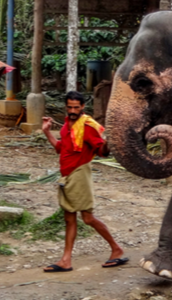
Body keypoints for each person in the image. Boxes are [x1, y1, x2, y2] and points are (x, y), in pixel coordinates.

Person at [41, 91, 127, 272]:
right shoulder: (66, 125)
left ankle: (117, 249)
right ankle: (66, 260)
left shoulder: (87, 126)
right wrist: (47, 132)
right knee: (69, 219)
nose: (72, 110)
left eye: (76, 107)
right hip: (66, 176)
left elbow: (102, 151)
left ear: (82, 107)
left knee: (87, 218)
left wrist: (110, 141)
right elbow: (60, 148)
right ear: (66, 107)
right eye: (69, 107)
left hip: (79, 174)